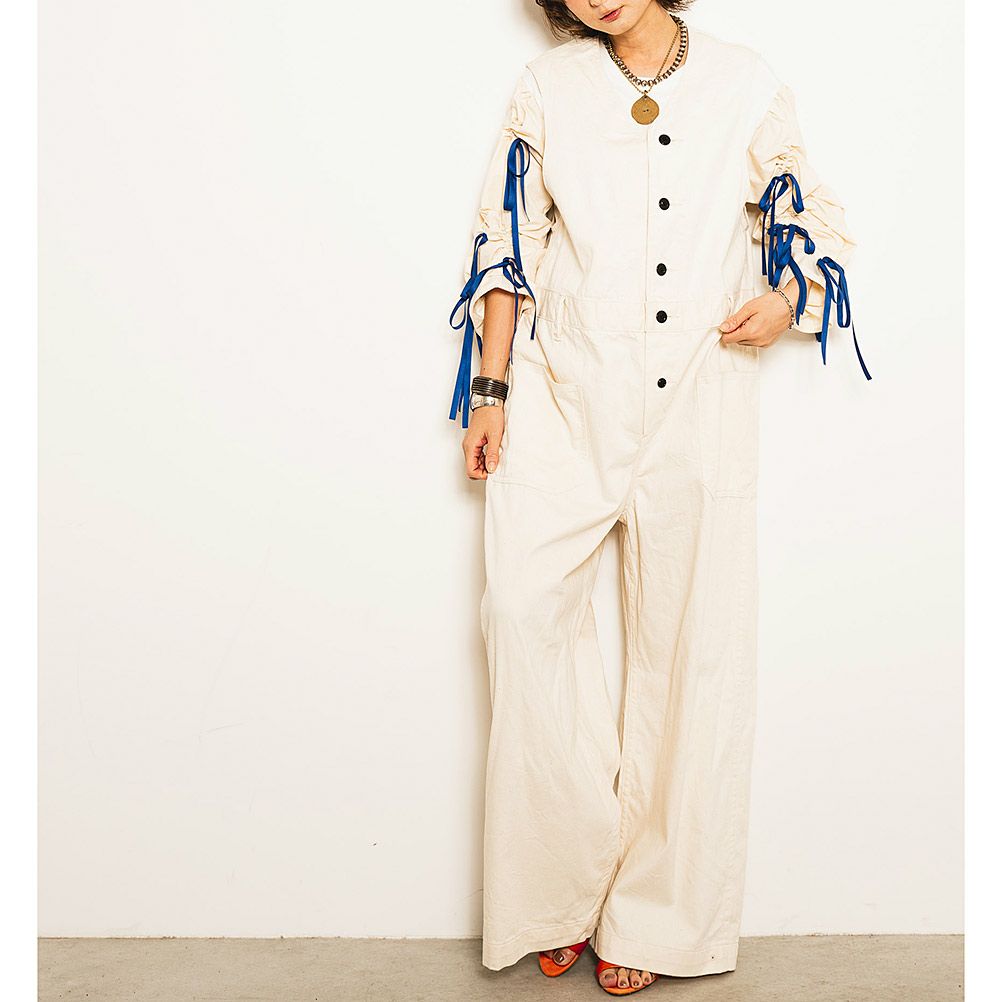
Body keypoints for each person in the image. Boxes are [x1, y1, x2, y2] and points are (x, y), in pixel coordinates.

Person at [447, 0, 869, 995]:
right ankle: (560, 887)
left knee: (693, 649)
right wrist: (490, 390)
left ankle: (656, 916)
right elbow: (507, 245)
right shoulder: (548, 89)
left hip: (699, 395)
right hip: (565, 392)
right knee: (522, 612)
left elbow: (814, 218)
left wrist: (788, 301)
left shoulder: (744, 80)